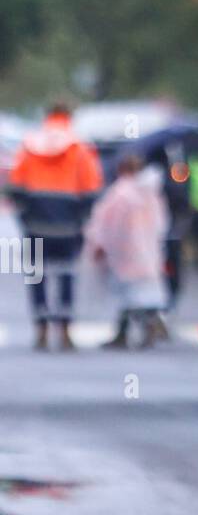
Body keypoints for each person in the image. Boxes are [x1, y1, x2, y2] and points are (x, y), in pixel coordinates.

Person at [8, 102, 103, 350]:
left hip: (35, 226)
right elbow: (92, 189)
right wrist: (81, 217)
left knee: (36, 276)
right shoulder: (80, 148)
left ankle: (41, 329)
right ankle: (64, 331)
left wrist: (27, 214)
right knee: (66, 275)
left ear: (47, 117)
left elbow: (15, 187)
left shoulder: (29, 146)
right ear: (69, 118)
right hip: (68, 228)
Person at [84, 154, 169, 349]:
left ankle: (128, 331)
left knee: (124, 295)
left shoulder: (120, 193)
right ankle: (146, 327)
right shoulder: (150, 193)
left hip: (124, 253)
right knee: (143, 294)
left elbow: (108, 224)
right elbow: (161, 223)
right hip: (147, 251)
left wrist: (100, 244)